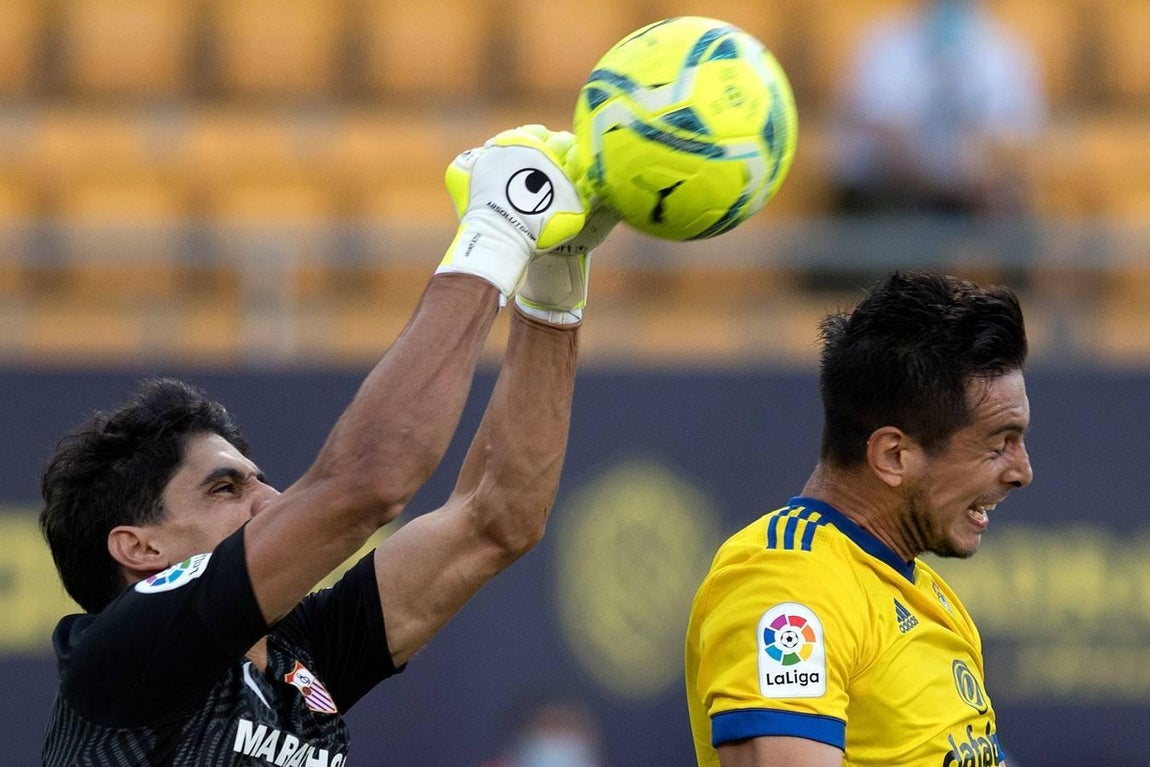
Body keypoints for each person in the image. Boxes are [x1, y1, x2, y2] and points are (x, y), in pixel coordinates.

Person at [38, 124, 617, 765]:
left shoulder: (300, 656)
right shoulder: (124, 653)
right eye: (225, 487)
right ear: (141, 548)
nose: (270, 499)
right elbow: (369, 482)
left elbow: (494, 520)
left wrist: (552, 288)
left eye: (257, 479)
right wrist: (497, 234)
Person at [685, 270, 1032, 766]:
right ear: (893, 455)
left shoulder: (928, 594)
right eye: (1000, 444)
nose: (1023, 472)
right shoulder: (788, 582)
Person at [830, 0, 1046, 217]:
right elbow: (888, 145)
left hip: (974, 201)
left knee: (1012, 210)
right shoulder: (883, 45)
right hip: (895, 197)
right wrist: (952, 188)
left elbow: (1017, 143)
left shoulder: (1005, 52)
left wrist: (986, 179)